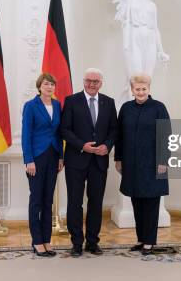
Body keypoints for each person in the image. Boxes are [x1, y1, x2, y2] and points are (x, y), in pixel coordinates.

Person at [61, 68, 119, 257]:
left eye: (96, 81)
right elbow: (65, 130)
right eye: (89, 80)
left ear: (101, 83)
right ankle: (77, 242)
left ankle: (92, 242)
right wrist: (81, 145)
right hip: (76, 160)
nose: (92, 84)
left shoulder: (109, 102)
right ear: (83, 81)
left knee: (96, 202)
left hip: (99, 161)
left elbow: (114, 130)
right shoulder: (71, 101)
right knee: (75, 202)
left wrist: (107, 146)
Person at [115, 73, 170, 255]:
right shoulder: (126, 108)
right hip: (131, 164)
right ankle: (140, 239)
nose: (140, 92)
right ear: (132, 90)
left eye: (143, 88)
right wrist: (118, 158)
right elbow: (119, 136)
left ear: (149, 88)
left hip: (154, 164)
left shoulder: (159, 108)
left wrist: (163, 161)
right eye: (137, 89)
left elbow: (166, 135)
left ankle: (150, 241)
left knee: (151, 203)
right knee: (136, 201)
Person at [21, 73, 64, 257]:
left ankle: (47, 240)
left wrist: (61, 157)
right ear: (39, 87)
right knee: (36, 200)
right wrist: (28, 160)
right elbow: (26, 135)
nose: (50, 87)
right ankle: (37, 241)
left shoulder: (57, 105)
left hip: (53, 156)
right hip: (36, 158)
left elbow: (59, 134)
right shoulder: (30, 106)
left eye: (52, 84)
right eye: (46, 84)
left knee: (48, 200)